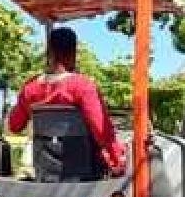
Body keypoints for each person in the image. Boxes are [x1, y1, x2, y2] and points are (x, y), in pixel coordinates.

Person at [8, 27, 126, 175]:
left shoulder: (30, 88)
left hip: (44, 171)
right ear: (73, 53)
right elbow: (103, 132)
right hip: (82, 172)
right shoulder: (83, 86)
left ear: (49, 52)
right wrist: (118, 158)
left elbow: (14, 126)